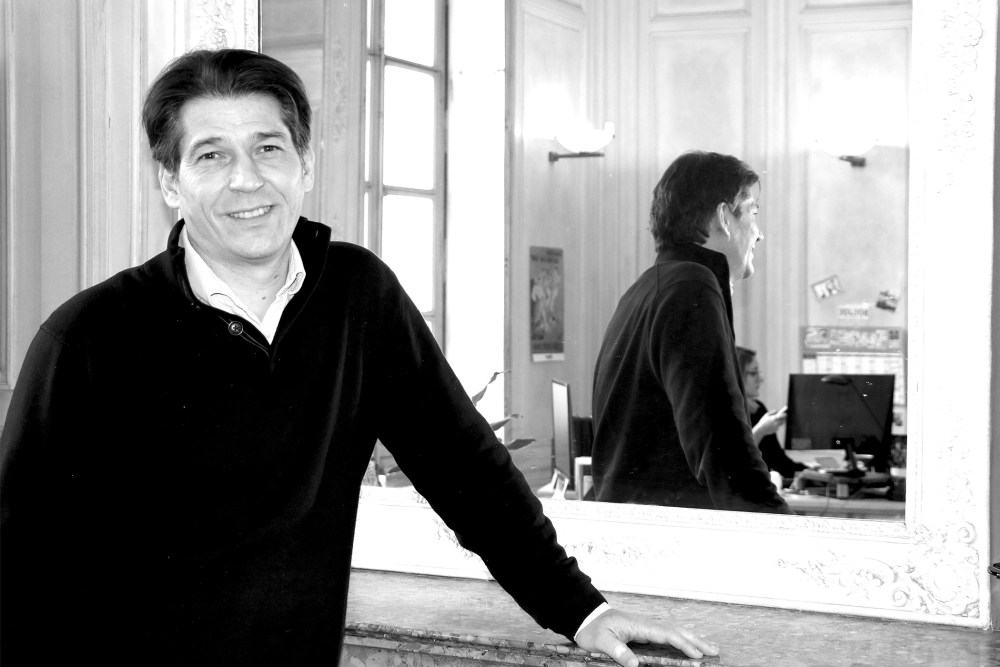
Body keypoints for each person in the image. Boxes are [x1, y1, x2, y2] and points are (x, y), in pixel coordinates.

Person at [0, 49, 719, 666]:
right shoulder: (89, 338)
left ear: (305, 164)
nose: (247, 179)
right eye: (211, 155)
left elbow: (466, 470)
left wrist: (581, 610)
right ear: (169, 181)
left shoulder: (358, 296)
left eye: (269, 148)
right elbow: (22, 567)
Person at [591, 150, 791, 514]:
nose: (759, 234)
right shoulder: (692, 286)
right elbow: (724, 449)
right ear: (724, 218)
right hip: (670, 535)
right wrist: (785, 531)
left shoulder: (645, 288)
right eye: (753, 213)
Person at [736, 346, 807, 481]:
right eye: (753, 373)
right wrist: (761, 430)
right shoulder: (722, 413)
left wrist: (812, 473)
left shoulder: (758, 409)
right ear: (737, 376)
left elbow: (778, 461)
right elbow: (734, 461)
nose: (760, 379)